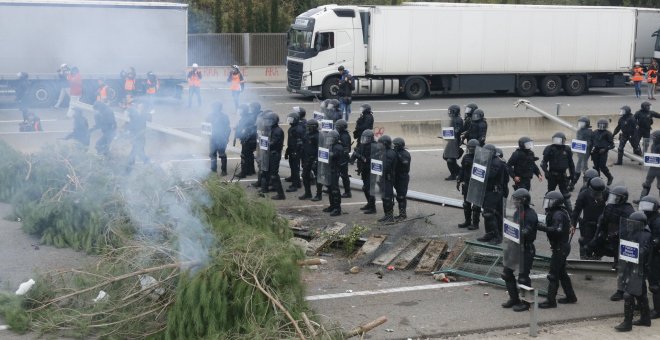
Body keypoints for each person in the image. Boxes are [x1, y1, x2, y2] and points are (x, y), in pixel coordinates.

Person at [585, 185, 635, 301]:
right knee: (591, 246)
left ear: (622, 198)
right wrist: (595, 240)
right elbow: (603, 224)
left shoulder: (628, 211)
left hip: (622, 243)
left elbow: (629, 229)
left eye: (616, 197)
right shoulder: (609, 207)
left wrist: (616, 234)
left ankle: (621, 291)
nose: (613, 199)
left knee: (622, 267)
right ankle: (593, 261)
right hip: (609, 240)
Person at [537, 191, 578, 309]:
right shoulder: (557, 212)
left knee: (553, 275)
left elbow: (557, 230)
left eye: (549, 202)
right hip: (561, 247)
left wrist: (541, 228)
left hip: (560, 248)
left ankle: (551, 301)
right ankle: (571, 296)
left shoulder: (558, 215)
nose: (547, 204)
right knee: (562, 273)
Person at [614, 211, 652, 331]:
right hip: (633, 267)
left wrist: (631, 251)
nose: (630, 224)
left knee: (628, 294)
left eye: (633, 222)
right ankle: (645, 319)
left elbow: (642, 252)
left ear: (639, 224)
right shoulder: (634, 233)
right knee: (641, 294)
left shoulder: (645, 235)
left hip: (639, 269)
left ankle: (627, 323)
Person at [501, 188, 538, 312]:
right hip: (514, 247)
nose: (515, 202)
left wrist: (522, 231)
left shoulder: (530, 214)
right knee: (506, 273)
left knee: (523, 277)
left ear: (523, 201)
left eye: (517, 200)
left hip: (525, 249)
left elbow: (528, 230)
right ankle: (514, 299)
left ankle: (526, 303)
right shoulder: (517, 212)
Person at [477, 144, 509, 244]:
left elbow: (490, 175)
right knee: (489, 214)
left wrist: (479, 168)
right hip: (488, 191)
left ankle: (497, 237)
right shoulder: (489, 161)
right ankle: (490, 234)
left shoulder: (496, 162)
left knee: (489, 214)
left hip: (494, 192)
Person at [571, 177, 607, 259]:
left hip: (601, 223)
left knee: (599, 244)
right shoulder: (583, 195)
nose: (598, 196)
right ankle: (584, 257)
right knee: (586, 244)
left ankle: (597, 259)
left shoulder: (606, 192)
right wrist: (573, 224)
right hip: (588, 223)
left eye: (599, 194)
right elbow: (576, 211)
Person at [540, 132, 575, 212]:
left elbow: (571, 164)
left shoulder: (567, 149)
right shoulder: (549, 149)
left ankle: (570, 213)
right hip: (552, 175)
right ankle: (547, 211)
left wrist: (572, 176)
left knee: (565, 194)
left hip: (563, 176)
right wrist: (546, 171)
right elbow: (543, 162)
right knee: (549, 194)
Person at [638, 195, 660, 320]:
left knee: (655, 284)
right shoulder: (647, 219)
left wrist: (647, 247)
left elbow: (656, 240)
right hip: (649, 254)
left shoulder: (657, 222)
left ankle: (657, 310)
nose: (645, 209)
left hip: (655, 256)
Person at [350, 129, 377, 214]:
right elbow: (356, 153)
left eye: (367, 138)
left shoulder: (374, 147)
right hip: (364, 169)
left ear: (371, 138)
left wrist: (358, 156)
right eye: (364, 138)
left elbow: (367, 160)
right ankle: (369, 203)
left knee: (369, 189)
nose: (365, 140)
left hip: (371, 170)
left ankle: (373, 208)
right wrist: (351, 158)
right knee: (365, 188)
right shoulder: (363, 145)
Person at [457, 139, 481, 230]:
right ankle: (467, 221)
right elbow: (462, 169)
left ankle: (475, 223)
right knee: (466, 204)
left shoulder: (481, 158)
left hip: (477, 184)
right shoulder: (466, 157)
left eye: (472, 148)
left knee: (475, 205)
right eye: (469, 148)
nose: (470, 150)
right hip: (467, 183)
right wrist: (459, 179)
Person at [262, 111, 286, 200]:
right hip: (268, 153)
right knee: (265, 172)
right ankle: (264, 190)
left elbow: (274, 143)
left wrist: (264, 143)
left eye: (269, 120)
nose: (267, 122)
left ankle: (281, 195)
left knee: (274, 175)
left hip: (274, 154)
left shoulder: (278, 131)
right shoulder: (269, 129)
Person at [299, 119, 323, 201]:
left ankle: (319, 195)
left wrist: (316, 160)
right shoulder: (307, 134)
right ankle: (307, 193)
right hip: (307, 158)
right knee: (305, 175)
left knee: (317, 177)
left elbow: (320, 149)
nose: (308, 128)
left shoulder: (318, 136)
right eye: (307, 127)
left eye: (310, 127)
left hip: (315, 159)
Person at [635, 130, 660, 204]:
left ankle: (642, 200)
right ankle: (642, 200)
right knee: (646, 184)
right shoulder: (653, 145)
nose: (653, 139)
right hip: (653, 167)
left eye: (654, 137)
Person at [206, 102, 231, 176]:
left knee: (222, 155)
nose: (213, 109)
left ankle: (224, 171)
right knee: (212, 154)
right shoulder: (209, 116)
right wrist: (207, 136)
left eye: (215, 107)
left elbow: (228, 128)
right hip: (213, 138)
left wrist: (226, 138)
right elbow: (206, 126)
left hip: (221, 138)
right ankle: (213, 170)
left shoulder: (224, 116)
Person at [377, 135, 398, 223]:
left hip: (387, 179)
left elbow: (386, 167)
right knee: (384, 197)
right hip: (383, 178)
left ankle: (390, 216)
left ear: (385, 144)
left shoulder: (389, 153)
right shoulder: (384, 152)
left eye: (380, 144)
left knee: (388, 198)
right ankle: (386, 215)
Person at [569, 116, 593, 191]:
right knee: (579, 166)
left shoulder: (589, 132)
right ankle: (573, 183)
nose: (580, 124)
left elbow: (590, 142)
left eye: (582, 123)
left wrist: (583, 145)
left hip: (586, 152)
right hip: (580, 152)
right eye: (580, 123)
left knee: (583, 167)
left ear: (587, 124)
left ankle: (585, 183)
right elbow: (577, 140)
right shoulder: (579, 131)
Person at [443, 105, 464, 181]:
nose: (449, 113)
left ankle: (454, 174)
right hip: (451, 140)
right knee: (446, 156)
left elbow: (457, 130)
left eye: (451, 111)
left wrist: (452, 134)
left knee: (450, 159)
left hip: (454, 141)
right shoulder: (454, 119)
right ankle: (459, 170)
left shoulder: (458, 120)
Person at [285, 111, 305, 192]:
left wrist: (296, 152)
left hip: (296, 151)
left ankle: (295, 185)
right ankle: (297, 183)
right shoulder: (292, 128)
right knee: (293, 167)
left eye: (291, 119)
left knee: (295, 168)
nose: (290, 121)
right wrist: (287, 151)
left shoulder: (298, 129)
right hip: (292, 150)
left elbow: (300, 142)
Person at [590, 119, 615, 185]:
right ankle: (597, 180)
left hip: (603, 152)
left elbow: (612, 145)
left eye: (603, 125)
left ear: (606, 126)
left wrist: (605, 149)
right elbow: (591, 142)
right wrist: (591, 150)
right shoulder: (595, 132)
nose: (601, 126)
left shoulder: (608, 133)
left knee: (602, 166)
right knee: (596, 167)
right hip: (595, 151)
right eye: (600, 125)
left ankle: (610, 177)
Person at [125, 104, 150, 169]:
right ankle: (145, 162)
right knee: (139, 151)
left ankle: (130, 164)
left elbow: (140, 129)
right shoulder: (136, 118)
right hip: (138, 138)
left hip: (139, 138)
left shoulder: (138, 119)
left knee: (136, 152)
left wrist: (133, 137)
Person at [236, 104, 257, 178]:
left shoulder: (247, 118)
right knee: (249, 155)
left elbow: (249, 130)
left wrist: (244, 137)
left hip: (248, 140)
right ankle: (250, 170)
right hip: (249, 140)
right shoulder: (247, 117)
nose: (239, 111)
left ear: (244, 110)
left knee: (244, 156)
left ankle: (243, 173)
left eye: (240, 109)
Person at [393, 137, 411, 220]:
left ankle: (403, 214)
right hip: (395, 176)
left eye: (396, 145)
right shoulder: (394, 152)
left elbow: (405, 163)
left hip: (403, 177)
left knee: (401, 196)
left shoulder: (405, 154)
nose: (394, 147)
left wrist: (398, 155)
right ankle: (399, 213)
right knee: (397, 196)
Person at [335, 119, 352, 198]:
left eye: (338, 127)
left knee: (344, 175)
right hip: (339, 158)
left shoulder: (344, 136)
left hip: (343, 159)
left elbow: (346, 149)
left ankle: (348, 192)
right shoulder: (340, 134)